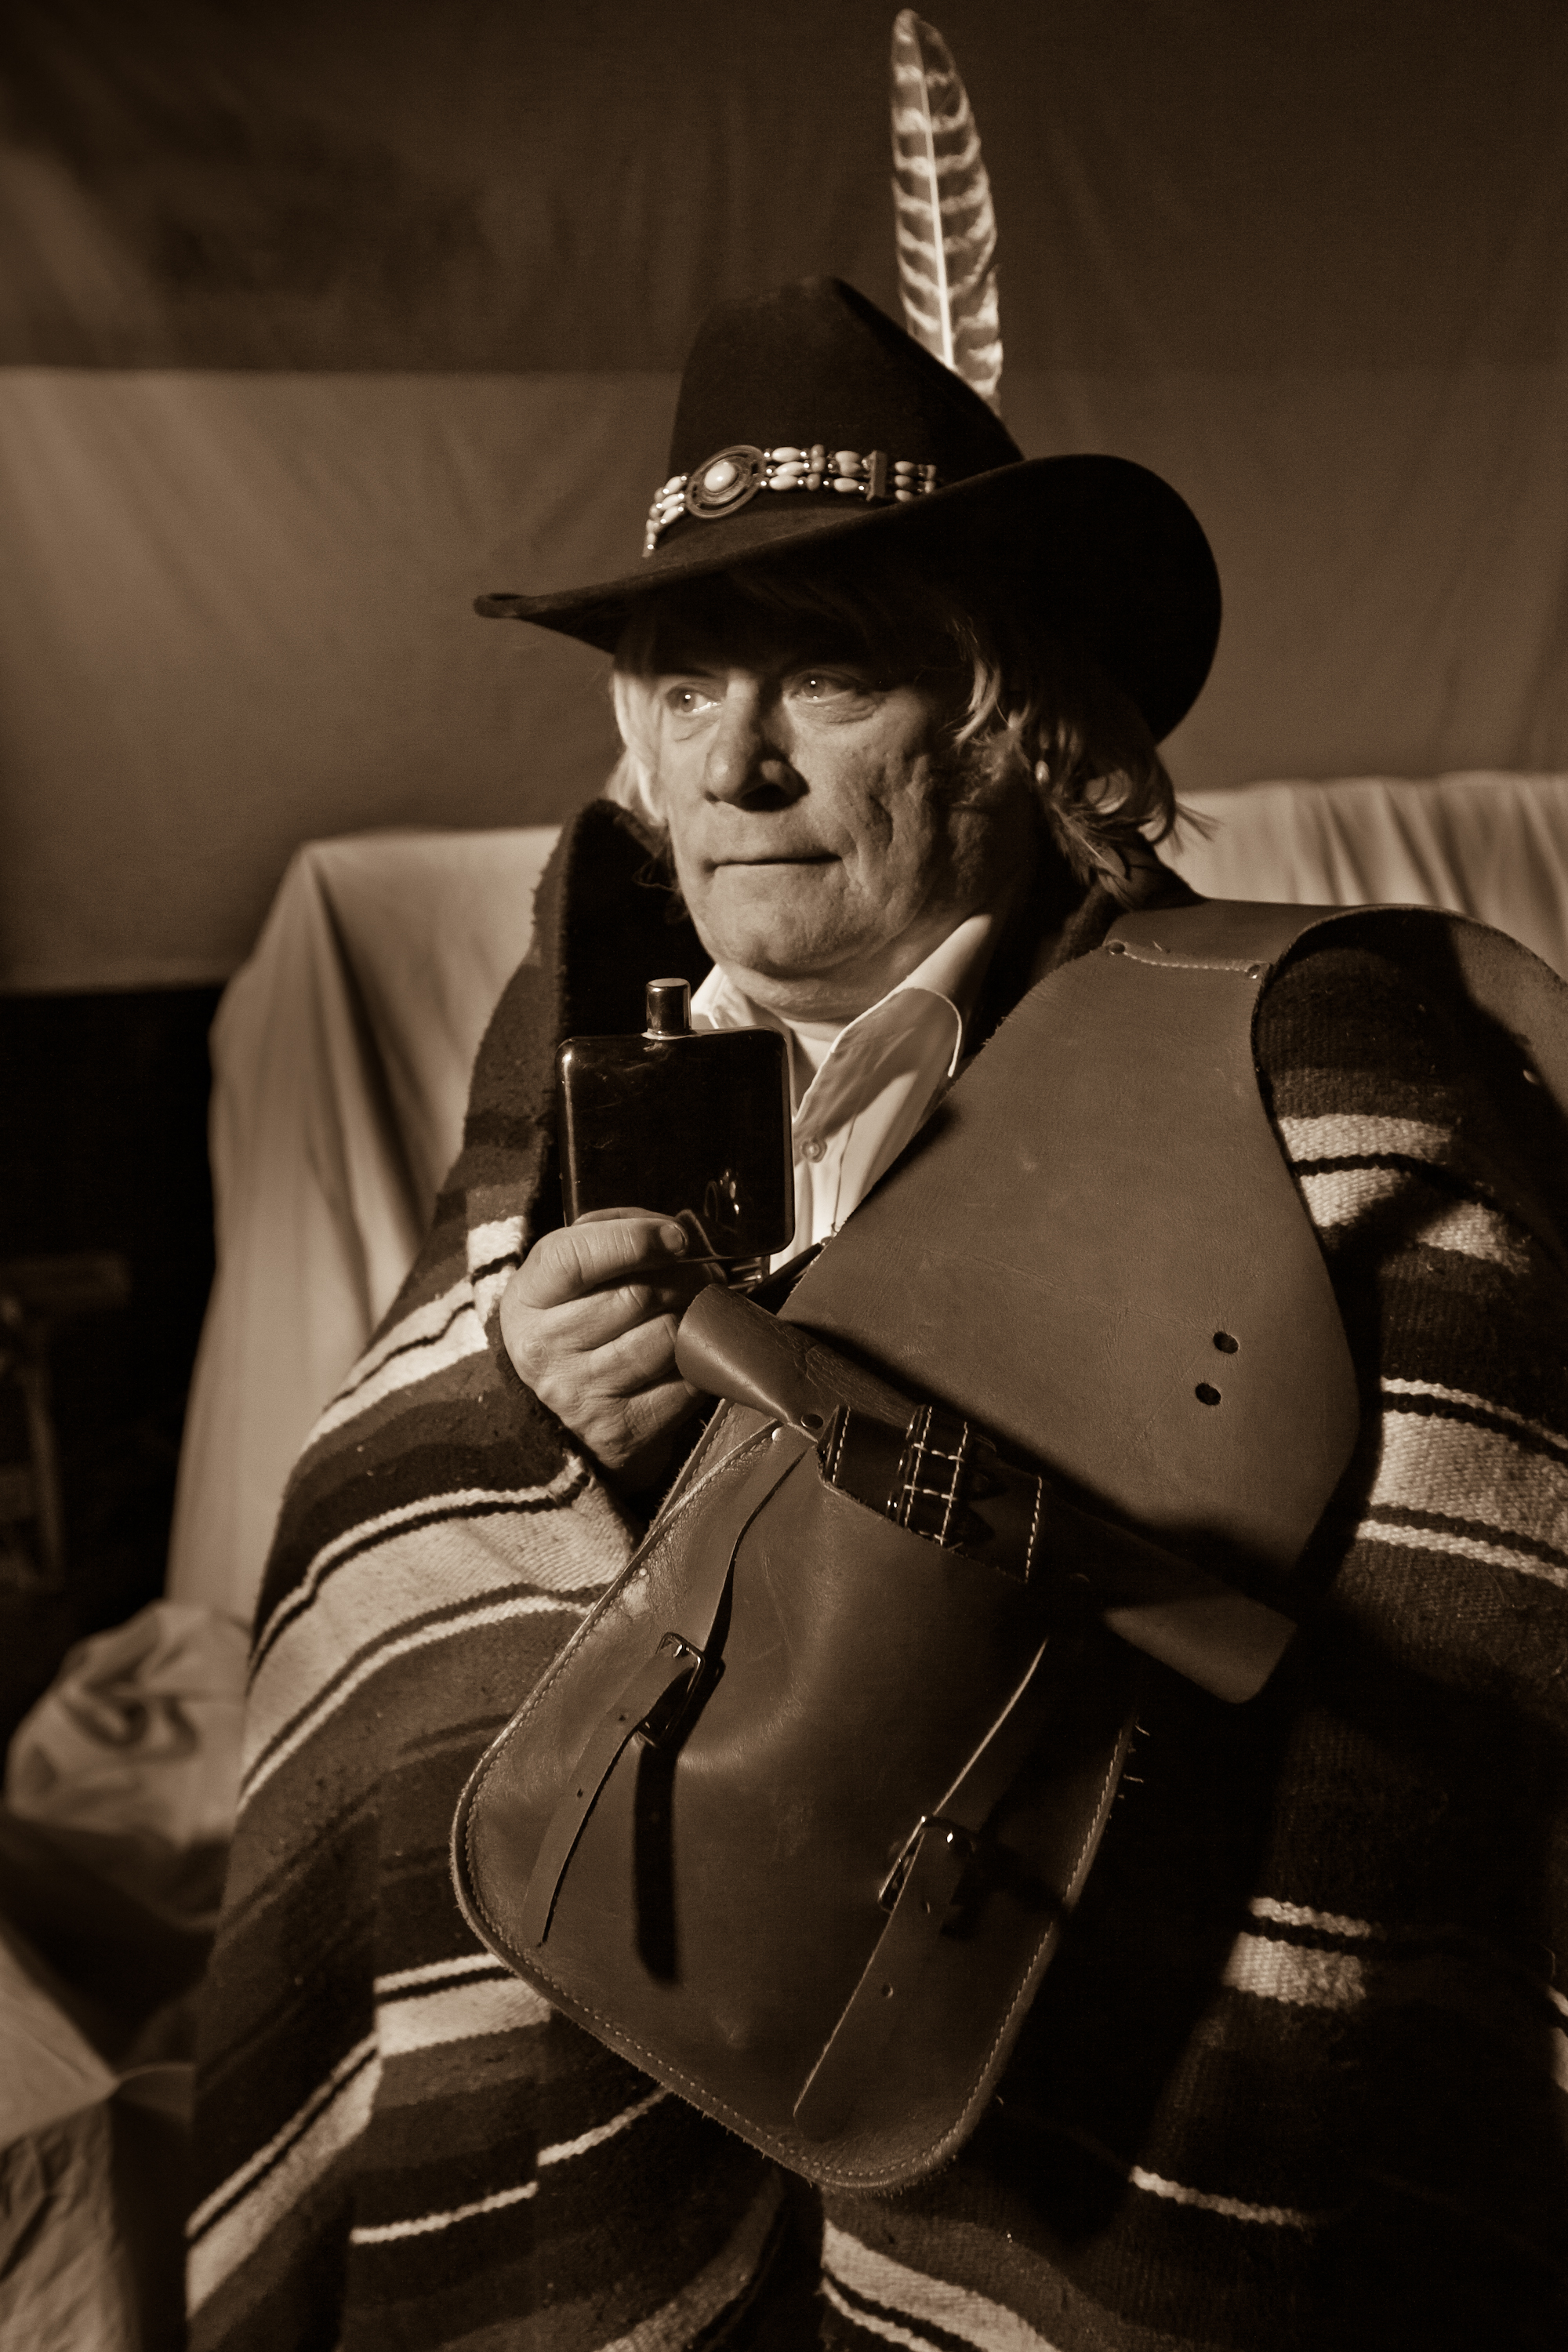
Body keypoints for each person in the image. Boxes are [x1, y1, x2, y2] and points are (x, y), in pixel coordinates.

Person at [188, 280, 1568, 2351]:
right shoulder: (554, 1103)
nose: (736, 763)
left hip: (1088, 2181)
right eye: (682, 687)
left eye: (826, 676)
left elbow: (1457, 1716)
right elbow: (387, 1575)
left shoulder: (1315, 1094)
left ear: (1026, 723)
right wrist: (510, 1421)